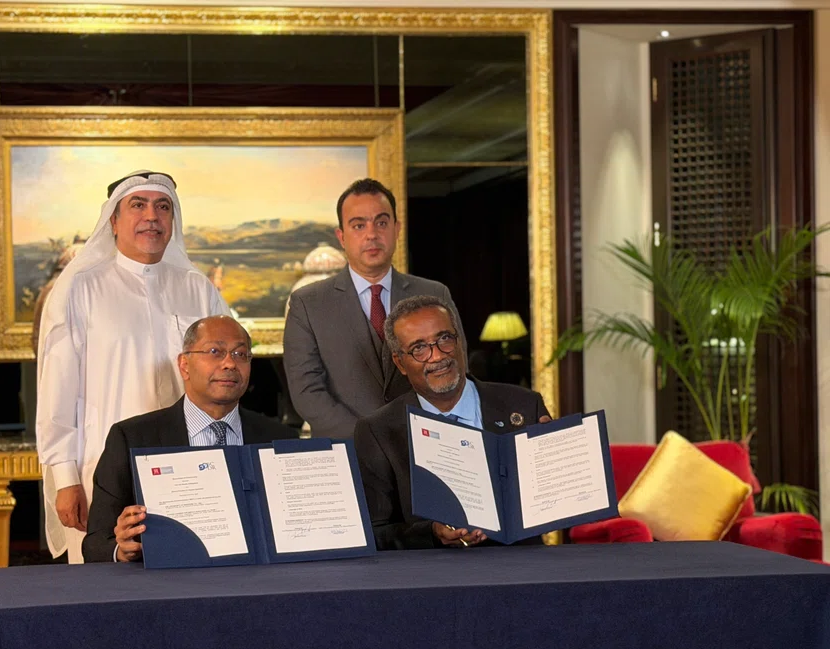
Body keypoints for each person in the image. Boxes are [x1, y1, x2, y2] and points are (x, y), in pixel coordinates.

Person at [36, 170, 230, 564]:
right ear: (113, 220)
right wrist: (65, 478)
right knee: (107, 586)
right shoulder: (80, 289)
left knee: (192, 576)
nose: (151, 216)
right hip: (104, 470)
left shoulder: (198, 289)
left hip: (192, 466)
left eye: (162, 207)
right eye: (137, 205)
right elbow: (58, 388)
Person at [82, 315, 298, 563]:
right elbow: (95, 544)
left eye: (241, 355)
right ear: (184, 365)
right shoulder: (132, 438)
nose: (230, 363)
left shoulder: (279, 438)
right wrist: (122, 549)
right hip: (170, 588)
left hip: (260, 584)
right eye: (215, 351)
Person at [354, 295, 551, 551]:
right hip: (432, 580)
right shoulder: (378, 431)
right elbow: (376, 532)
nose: (436, 356)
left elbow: (551, 507)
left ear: (459, 342)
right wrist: (432, 533)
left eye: (444, 339)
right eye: (419, 348)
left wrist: (552, 464)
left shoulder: (524, 405)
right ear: (400, 363)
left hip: (523, 567)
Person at [284, 178, 464, 439]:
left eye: (381, 223)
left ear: (396, 229)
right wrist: (368, 439)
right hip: (347, 451)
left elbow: (456, 370)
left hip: (427, 444)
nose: (372, 234)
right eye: (359, 225)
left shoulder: (434, 294)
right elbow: (306, 391)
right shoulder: (308, 303)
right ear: (341, 237)